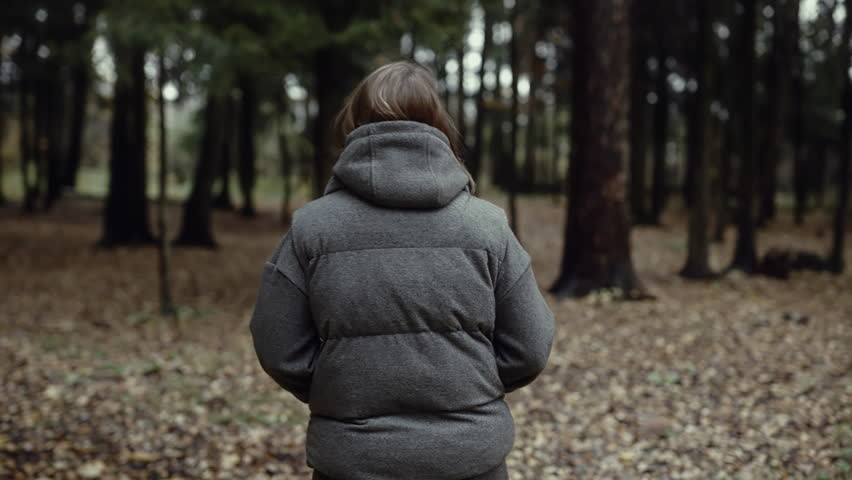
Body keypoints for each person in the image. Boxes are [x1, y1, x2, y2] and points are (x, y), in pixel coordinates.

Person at [249, 60, 555, 480]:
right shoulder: (488, 227)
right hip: (469, 461)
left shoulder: (312, 227)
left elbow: (277, 344)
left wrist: (337, 388)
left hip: (352, 462)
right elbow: (531, 346)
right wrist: (470, 390)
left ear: (354, 121)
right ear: (438, 122)